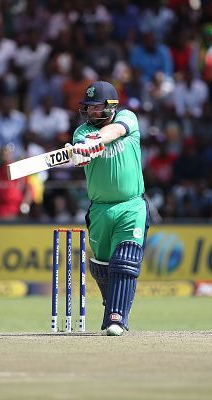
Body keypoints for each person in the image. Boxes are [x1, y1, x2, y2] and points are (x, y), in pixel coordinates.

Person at [67, 81, 151, 336]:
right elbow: (83, 155)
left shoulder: (128, 118)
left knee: (125, 261)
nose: (92, 112)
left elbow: (114, 131)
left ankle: (117, 318)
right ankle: (112, 305)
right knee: (101, 266)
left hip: (131, 205)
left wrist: (95, 140)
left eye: (97, 107)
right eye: (89, 108)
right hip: (100, 209)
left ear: (111, 106)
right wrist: (80, 154)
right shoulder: (80, 133)